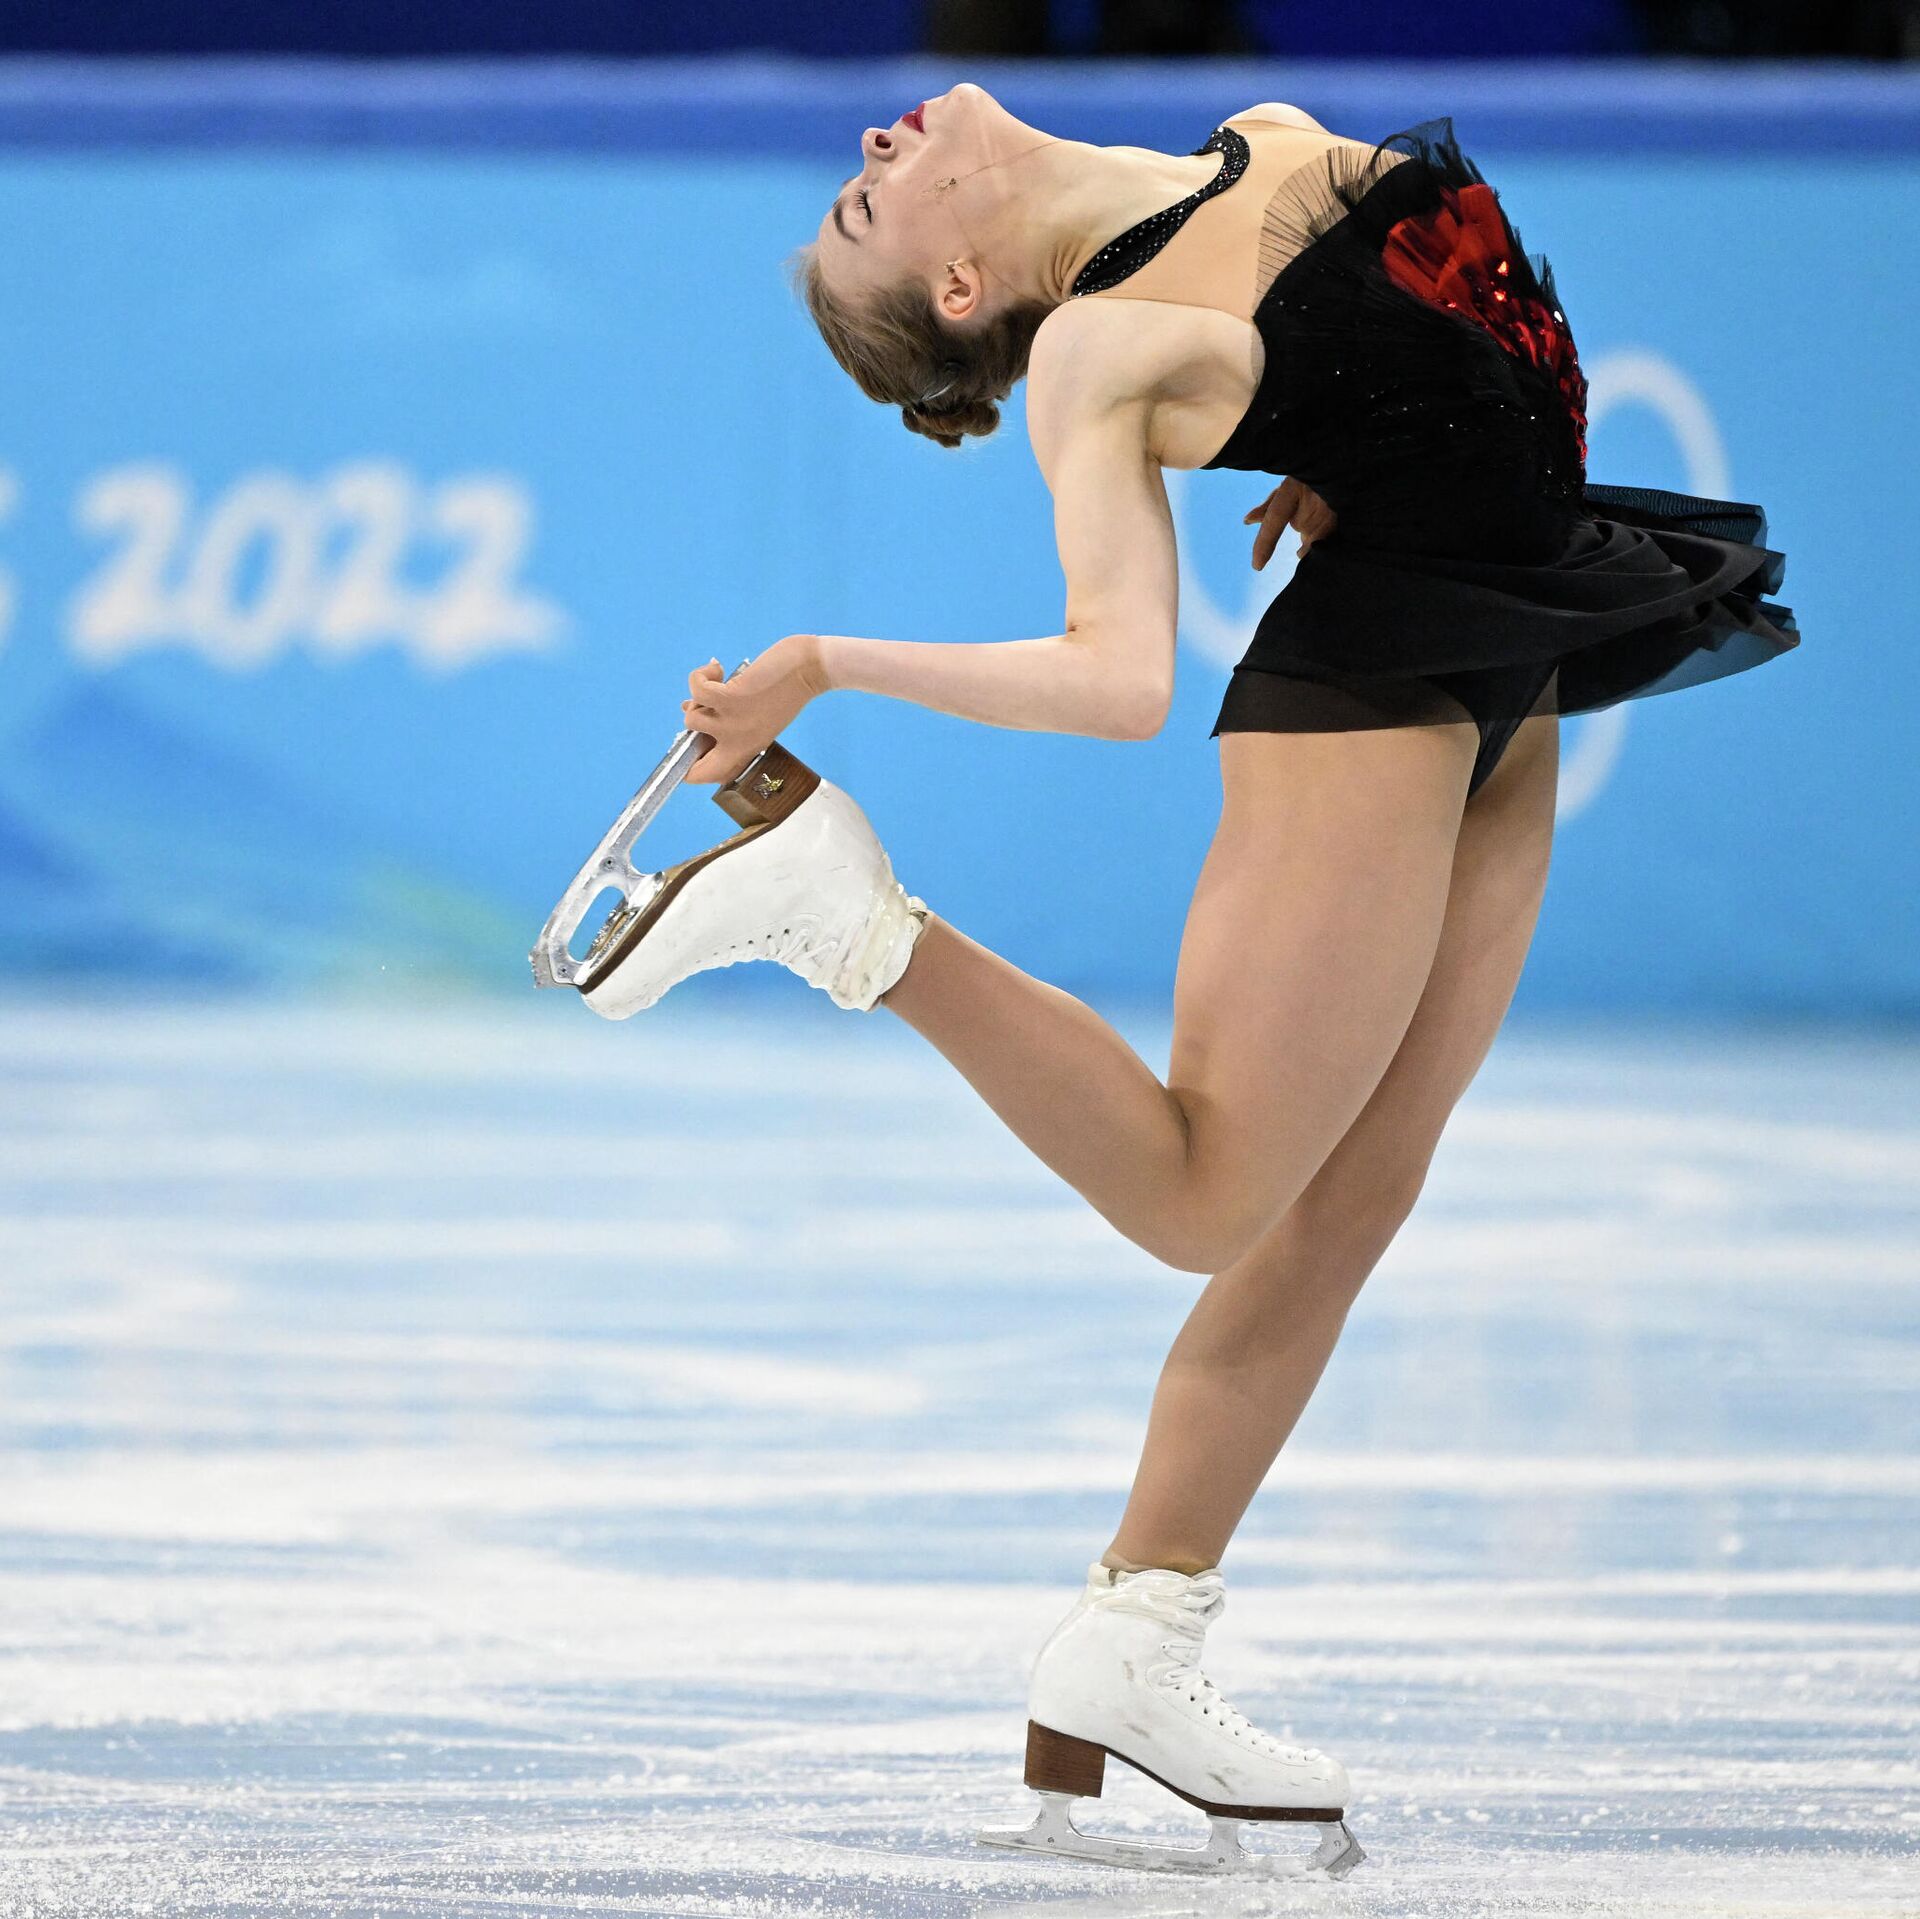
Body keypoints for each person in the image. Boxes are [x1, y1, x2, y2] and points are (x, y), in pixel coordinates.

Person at [579, 84, 1797, 1874]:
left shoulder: (1244, 134)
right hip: (1379, 677)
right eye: (863, 208)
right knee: (1207, 1192)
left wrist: (1355, 439)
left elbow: (1445, 333)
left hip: (1512, 626)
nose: (871, 154)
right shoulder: (1089, 353)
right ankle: (854, 921)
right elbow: (1117, 674)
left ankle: (1137, 1643)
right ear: (966, 287)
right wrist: (826, 662)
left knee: (1360, 1190)